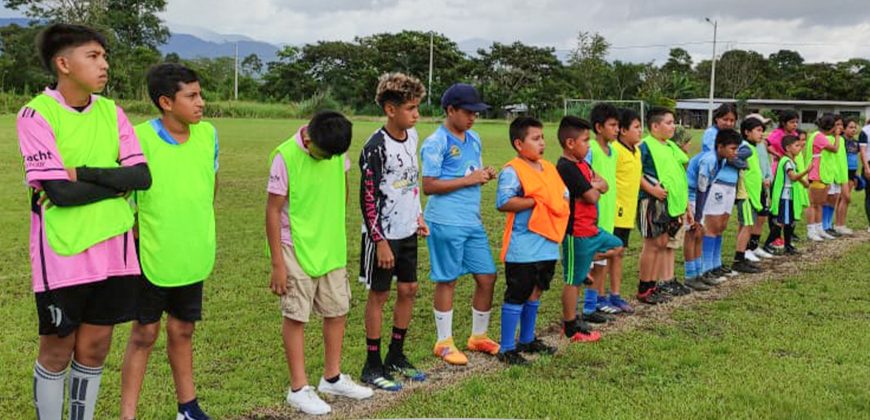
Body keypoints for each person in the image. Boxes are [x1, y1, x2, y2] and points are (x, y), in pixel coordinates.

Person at [17, 23, 152, 420]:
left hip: (114, 251)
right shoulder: (36, 114)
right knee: (57, 350)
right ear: (63, 63)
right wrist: (114, 182)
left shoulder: (112, 112)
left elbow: (141, 177)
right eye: (93, 56)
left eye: (104, 56)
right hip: (63, 251)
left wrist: (81, 173)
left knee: (95, 349)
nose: (104, 65)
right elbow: (59, 194)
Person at [120, 63, 216, 420]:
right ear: (166, 102)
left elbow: (209, 185)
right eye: (191, 96)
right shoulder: (137, 137)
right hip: (151, 251)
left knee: (183, 328)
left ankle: (187, 408)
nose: (201, 102)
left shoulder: (208, 135)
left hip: (191, 250)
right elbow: (125, 192)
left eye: (200, 94)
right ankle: (127, 415)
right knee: (145, 333)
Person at [267, 111, 373, 415]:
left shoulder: (336, 152)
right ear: (309, 138)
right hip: (294, 247)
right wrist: (277, 262)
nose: (328, 160)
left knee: (337, 309)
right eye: (324, 155)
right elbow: (273, 210)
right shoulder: (285, 157)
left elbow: (342, 190)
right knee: (297, 316)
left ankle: (332, 377)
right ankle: (298, 388)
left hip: (330, 246)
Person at [358, 73, 429, 391]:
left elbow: (410, 185)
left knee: (409, 289)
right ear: (390, 109)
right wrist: (380, 241)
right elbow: (368, 198)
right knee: (380, 295)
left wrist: (419, 216)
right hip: (383, 236)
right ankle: (372, 365)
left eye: (417, 107)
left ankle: (396, 355)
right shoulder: (375, 147)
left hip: (408, 230)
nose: (416, 114)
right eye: (411, 108)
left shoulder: (412, 138)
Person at [421, 83, 500, 366]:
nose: (473, 118)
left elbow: (470, 171)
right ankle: (443, 342)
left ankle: (478, 336)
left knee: (487, 276)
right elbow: (428, 185)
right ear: (450, 110)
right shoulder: (435, 142)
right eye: (468, 112)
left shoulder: (474, 138)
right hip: (445, 220)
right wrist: (469, 180)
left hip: (471, 220)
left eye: (476, 113)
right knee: (447, 279)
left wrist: (484, 174)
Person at [495, 116, 568, 364]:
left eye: (542, 138)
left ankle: (527, 339)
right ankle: (506, 348)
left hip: (548, 243)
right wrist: (537, 201)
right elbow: (504, 202)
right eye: (535, 139)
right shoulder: (512, 171)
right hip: (523, 246)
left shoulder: (549, 167)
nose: (542, 143)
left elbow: (562, 196)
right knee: (517, 292)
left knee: (537, 290)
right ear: (519, 143)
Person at [556, 115, 613, 341]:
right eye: (585, 141)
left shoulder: (583, 164)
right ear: (571, 143)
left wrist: (595, 186)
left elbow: (605, 185)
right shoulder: (567, 167)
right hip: (574, 231)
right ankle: (570, 326)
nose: (589, 146)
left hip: (588, 229)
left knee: (615, 249)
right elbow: (592, 196)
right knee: (573, 279)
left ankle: (575, 316)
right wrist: (595, 187)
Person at [637, 107, 692, 304]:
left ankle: (653, 285)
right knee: (651, 244)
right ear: (654, 126)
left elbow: (678, 174)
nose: (673, 126)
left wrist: (686, 205)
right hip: (651, 201)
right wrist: (652, 191)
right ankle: (644, 288)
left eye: (673, 122)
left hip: (670, 203)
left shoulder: (669, 146)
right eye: (669, 123)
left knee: (661, 243)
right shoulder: (644, 146)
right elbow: (635, 172)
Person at [585, 103, 626, 317]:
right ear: (599, 127)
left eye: (618, 125)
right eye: (612, 125)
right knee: (595, 259)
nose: (617, 129)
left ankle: (597, 300)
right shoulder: (590, 148)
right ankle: (589, 304)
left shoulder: (613, 151)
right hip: (594, 212)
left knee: (602, 260)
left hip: (609, 212)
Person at [688, 129, 741, 283]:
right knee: (694, 234)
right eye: (732, 148)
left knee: (700, 233)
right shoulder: (709, 160)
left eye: (737, 149)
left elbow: (708, 186)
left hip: (699, 195)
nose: (735, 153)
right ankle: (694, 273)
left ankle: (703, 272)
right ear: (720, 146)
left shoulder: (722, 160)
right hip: (690, 196)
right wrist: (698, 214)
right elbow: (701, 187)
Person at [611, 108, 644, 309]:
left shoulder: (637, 150)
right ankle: (598, 297)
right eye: (637, 127)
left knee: (619, 252)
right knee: (610, 253)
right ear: (623, 130)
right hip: (614, 211)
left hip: (628, 212)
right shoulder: (614, 150)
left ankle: (615, 294)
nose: (641, 131)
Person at [732, 117, 766, 274]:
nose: (761, 134)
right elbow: (733, 158)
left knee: (746, 225)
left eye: (762, 131)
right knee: (747, 226)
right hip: (746, 194)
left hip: (751, 194)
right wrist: (742, 164)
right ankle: (739, 259)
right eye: (758, 130)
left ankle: (742, 255)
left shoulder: (751, 148)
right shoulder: (746, 148)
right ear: (746, 132)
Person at [766, 135, 810, 255]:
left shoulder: (791, 161)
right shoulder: (786, 161)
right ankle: (767, 244)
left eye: (800, 146)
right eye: (797, 146)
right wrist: (807, 171)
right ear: (788, 148)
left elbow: (795, 177)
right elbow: (793, 177)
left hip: (790, 196)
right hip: (784, 196)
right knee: (781, 221)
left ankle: (788, 245)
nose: (800, 148)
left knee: (790, 221)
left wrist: (805, 183)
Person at [804, 114, 841, 242]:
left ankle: (819, 229)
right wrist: (837, 136)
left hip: (823, 173)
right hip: (817, 173)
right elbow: (835, 149)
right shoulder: (819, 137)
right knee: (813, 204)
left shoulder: (818, 135)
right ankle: (811, 230)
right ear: (830, 128)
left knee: (820, 203)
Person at [834, 117, 859, 235]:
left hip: (852, 173)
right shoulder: (841, 141)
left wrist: (856, 175)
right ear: (844, 129)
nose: (853, 129)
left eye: (855, 127)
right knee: (845, 198)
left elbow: (855, 157)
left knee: (844, 200)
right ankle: (840, 225)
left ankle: (839, 224)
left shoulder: (855, 142)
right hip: (843, 172)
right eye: (850, 127)